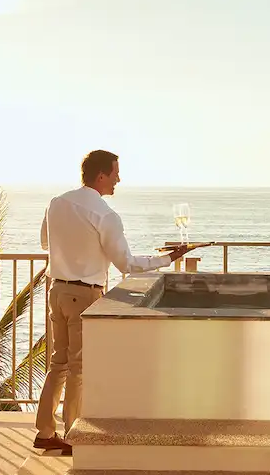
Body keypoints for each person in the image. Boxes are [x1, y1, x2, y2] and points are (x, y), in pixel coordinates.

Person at [34, 149, 197, 454]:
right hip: (84, 293)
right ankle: (71, 436)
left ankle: (45, 431)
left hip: (56, 290)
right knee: (79, 369)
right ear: (101, 176)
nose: (118, 179)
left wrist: (73, 251)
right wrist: (167, 258)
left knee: (58, 363)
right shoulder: (105, 215)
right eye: (115, 173)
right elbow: (126, 264)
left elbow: (45, 242)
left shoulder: (57, 203)